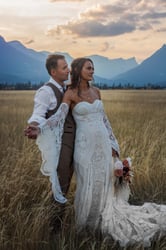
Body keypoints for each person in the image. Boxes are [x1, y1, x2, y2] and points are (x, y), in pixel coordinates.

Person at [25, 57, 166, 247]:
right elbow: (58, 117)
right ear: (78, 70)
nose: (92, 71)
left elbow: (105, 120)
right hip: (84, 147)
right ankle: (88, 225)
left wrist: (113, 143)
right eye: (88, 68)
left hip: (103, 143)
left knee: (104, 182)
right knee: (88, 182)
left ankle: (104, 217)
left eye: (93, 68)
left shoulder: (97, 91)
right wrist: (39, 128)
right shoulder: (70, 93)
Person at [24, 54, 76, 203]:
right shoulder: (45, 91)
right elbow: (38, 114)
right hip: (60, 145)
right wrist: (34, 126)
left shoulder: (66, 88)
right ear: (53, 72)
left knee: (66, 181)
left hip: (73, 141)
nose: (68, 70)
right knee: (61, 182)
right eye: (64, 67)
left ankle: (58, 217)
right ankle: (54, 222)